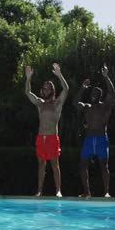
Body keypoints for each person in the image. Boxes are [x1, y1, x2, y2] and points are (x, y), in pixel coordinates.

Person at [25, 63, 69, 197]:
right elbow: (27, 92)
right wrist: (28, 78)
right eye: (44, 88)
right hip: (41, 138)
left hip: (52, 137)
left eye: (48, 88)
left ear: (52, 90)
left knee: (55, 165)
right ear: (42, 91)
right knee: (41, 165)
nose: (46, 90)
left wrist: (59, 75)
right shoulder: (40, 103)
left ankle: (58, 191)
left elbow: (66, 90)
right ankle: (39, 191)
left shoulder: (57, 103)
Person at [74, 65, 115, 198]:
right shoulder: (87, 107)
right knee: (83, 164)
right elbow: (75, 103)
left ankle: (106, 192)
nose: (93, 95)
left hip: (102, 139)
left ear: (100, 96)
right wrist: (82, 88)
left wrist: (106, 76)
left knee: (104, 166)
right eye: (92, 93)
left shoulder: (104, 107)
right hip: (89, 139)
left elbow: (112, 92)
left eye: (96, 93)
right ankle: (87, 191)